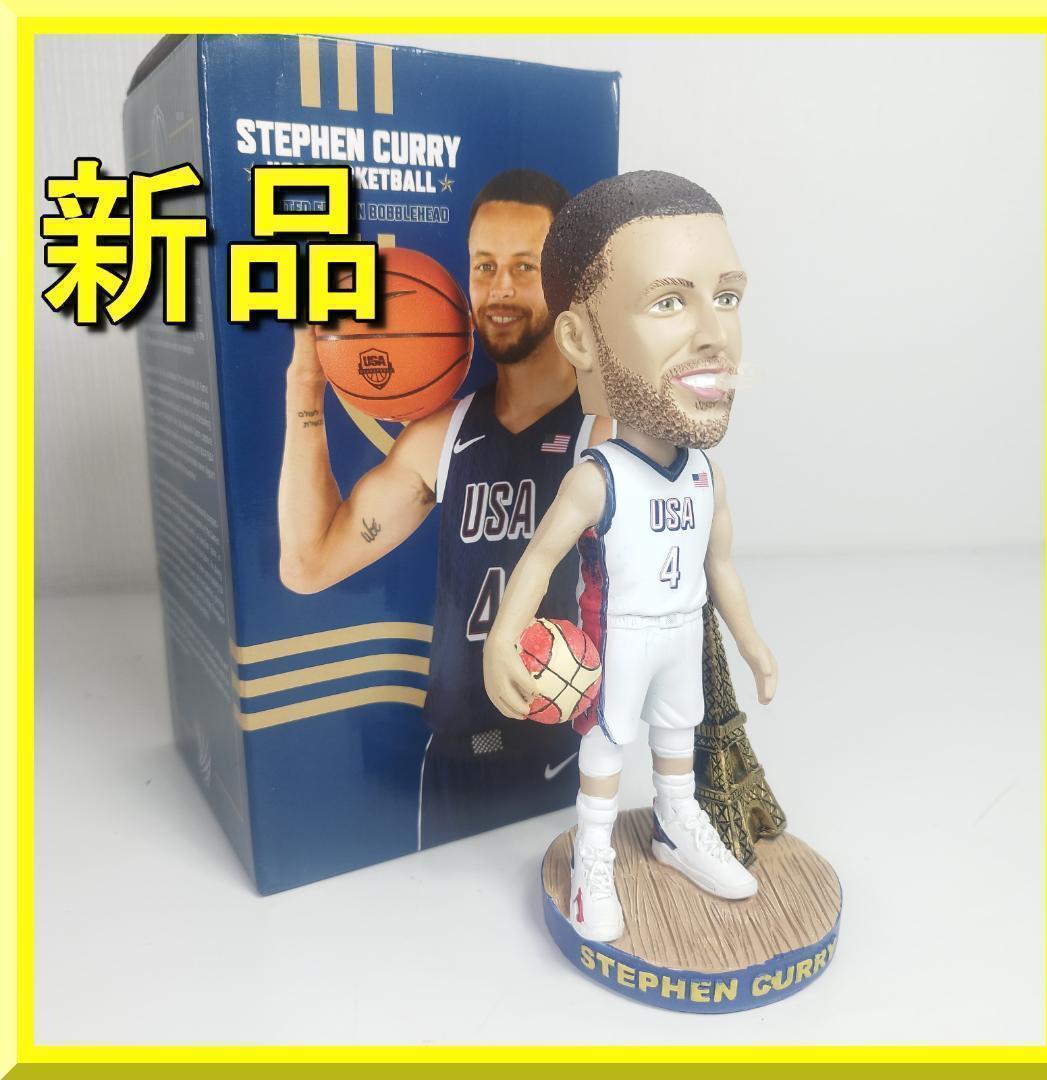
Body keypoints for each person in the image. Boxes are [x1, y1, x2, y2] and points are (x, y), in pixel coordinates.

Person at [482, 171, 778, 941]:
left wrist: (752, 644)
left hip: (681, 632)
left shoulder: (706, 475)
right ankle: (593, 858)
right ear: (580, 340)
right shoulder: (599, 477)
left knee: (675, 745)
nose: (716, 334)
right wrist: (502, 638)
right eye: (670, 302)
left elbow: (720, 569)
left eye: (728, 296)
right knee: (607, 753)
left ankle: (678, 828)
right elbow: (539, 559)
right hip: (621, 637)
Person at [278, 169, 611, 849]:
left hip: (566, 757)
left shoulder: (605, 434)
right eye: (485, 266)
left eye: (525, 266)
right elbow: (307, 565)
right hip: (455, 761)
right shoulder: (444, 436)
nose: (501, 288)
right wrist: (305, 387)